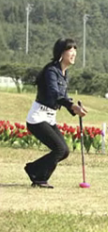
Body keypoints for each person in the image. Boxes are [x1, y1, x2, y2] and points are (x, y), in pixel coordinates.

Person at [24, 38, 88, 188]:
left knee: (64, 151)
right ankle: (39, 177)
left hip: (50, 118)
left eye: (75, 51)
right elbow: (54, 94)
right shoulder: (51, 71)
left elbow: (63, 96)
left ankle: (34, 169)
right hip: (38, 118)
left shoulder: (64, 73)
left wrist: (74, 107)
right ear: (61, 52)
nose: (74, 54)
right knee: (59, 149)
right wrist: (72, 106)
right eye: (70, 50)